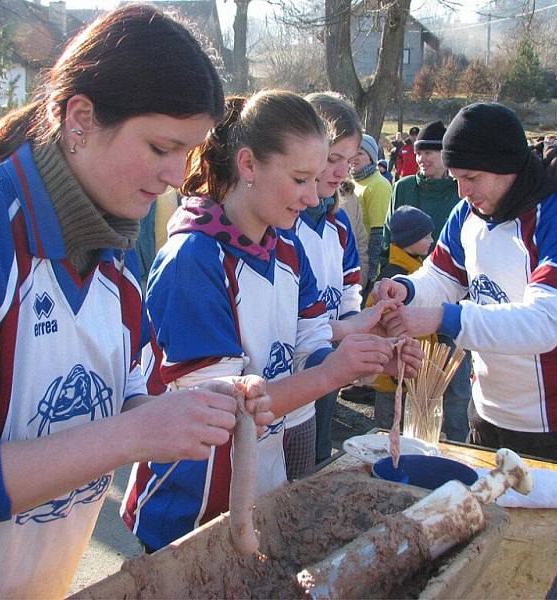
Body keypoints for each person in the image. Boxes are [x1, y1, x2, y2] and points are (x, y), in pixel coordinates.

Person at [0, 7, 274, 599]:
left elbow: (118, 396)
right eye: (161, 146)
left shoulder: (113, 244)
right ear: (79, 118)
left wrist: (190, 406)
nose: (178, 176)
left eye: (189, 151)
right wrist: (132, 436)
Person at [122, 91, 422, 551]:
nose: (312, 195)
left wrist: (367, 359)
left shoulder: (286, 248)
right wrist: (333, 373)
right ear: (248, 165)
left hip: (262, 490)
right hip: (189, 508)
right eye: (301, 178)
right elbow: (218, 415)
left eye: (318, 177)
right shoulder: (193, 259)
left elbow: (311, 345)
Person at [373, 102, 557, 591]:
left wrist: (442, 317)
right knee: (488, 535)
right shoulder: (469, 211)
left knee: (553, 546)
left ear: (509, 166)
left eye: (473, 177)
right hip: (490, 410)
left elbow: (544, 325)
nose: (463, 191)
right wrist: (408, 290)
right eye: (457, 177)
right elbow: (442, 275)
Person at [379, 120, 472, 442]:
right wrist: (389, 277)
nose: (423, 158)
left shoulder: (460, 195)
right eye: (419, 152)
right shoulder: (403, 187)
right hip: (408, 291)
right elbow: (387, 239)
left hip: (451, 300)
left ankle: (457, 441)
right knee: (407, 379)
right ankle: (405, 442)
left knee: (455, 383)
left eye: (431, 152)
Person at [295, 91, 365, 464]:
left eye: (350, 163)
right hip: (291, 377)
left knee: (321, 455)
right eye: (332, 159)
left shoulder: (338, 224)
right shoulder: (284, 225)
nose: (341, 172)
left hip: (329, 363)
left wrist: (356, 330)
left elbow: (350, 291)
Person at [371, 206, 439, 429]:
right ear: (410, 240)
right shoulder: (395, 276)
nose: (431, 240)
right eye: (426, 236)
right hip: (396, 380)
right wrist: (398, 371)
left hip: (412, 374)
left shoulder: (417, 270)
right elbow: (389, 327)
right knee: (389, 432)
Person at [350, 134, 393, 290]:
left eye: (360, 153)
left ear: (371, 158)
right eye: (352, 152)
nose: (354, 158)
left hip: (365, 265)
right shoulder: (351, 183)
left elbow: (378, 233)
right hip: (351, 260)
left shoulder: (378, 185)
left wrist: (372, 273)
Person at [337, 179, 369, 280]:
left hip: (350, 287)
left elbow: (361, 241)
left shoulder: (349, 195)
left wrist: (359, 280)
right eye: (331, 162)